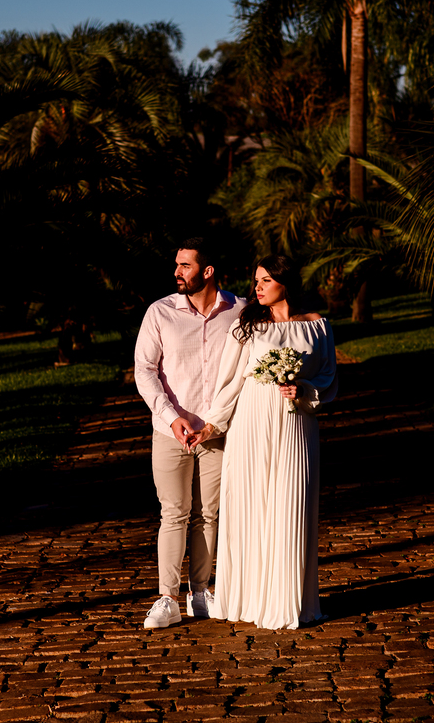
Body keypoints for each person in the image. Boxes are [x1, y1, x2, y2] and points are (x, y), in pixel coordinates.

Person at [188, 255, 337, 629]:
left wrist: (303, 389)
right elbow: (233, 380)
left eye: (265, 280)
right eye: (256, 280)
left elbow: (329, 377)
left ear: (284, 282)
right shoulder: (248, 326)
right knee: (251, 508)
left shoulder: (318, 326)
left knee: (292, 505)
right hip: (252, 426)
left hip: (297, 425)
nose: (257, 287)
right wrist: (212, 425)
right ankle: (250, 599)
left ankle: (288, 602)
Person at [133, 237, 246, 629]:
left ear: (207, 271)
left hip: (216, 432)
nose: (177, 271)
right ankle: (167, 598)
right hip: (170, 431)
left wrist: (308, 319)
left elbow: (275, 331)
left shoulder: (240, 312)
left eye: (185, 265)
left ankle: (201, 592)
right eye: (177, 264)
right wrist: (170, 416)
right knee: (174, 513)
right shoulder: (160, 312)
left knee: (209, 514)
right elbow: (144, 371)